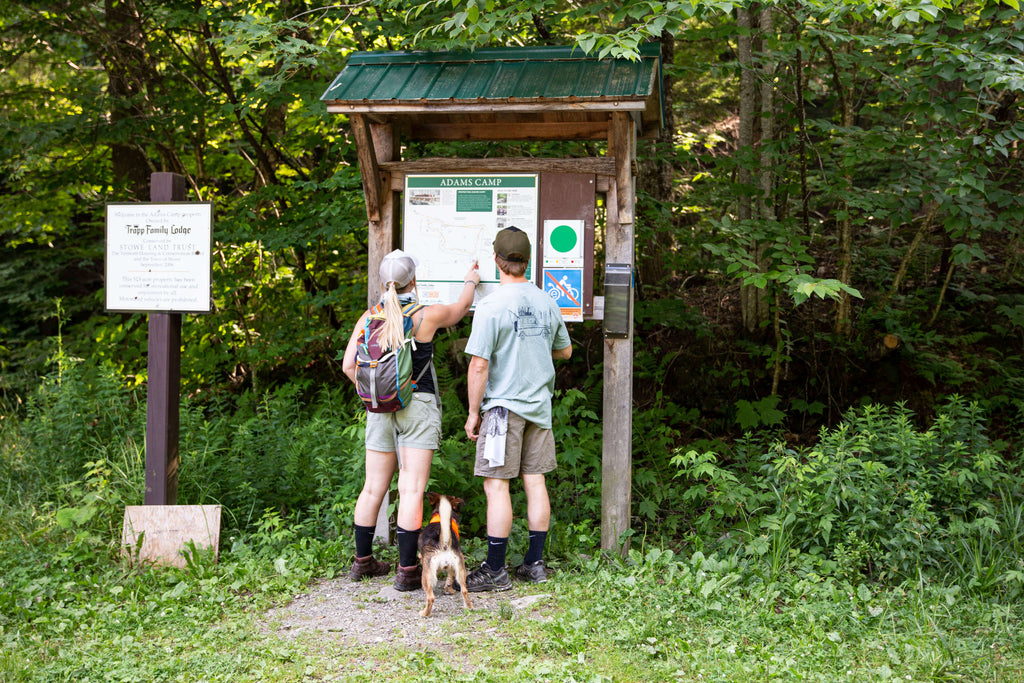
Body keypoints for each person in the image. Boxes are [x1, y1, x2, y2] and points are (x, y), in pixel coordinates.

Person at [343, 249, 480, 590]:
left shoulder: (368, 318)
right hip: (417, 406)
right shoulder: (425, 316)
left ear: (382, 281)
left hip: (378, 410)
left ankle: (363, 563)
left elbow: (349, 366)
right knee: (412, 489)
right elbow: (462, 309)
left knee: (373, 487)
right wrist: (471, 281)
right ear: (413, 281)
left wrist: (380, 394)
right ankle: (406, 572)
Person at [463, 227, 572, 591]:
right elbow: (565, 350)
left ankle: (495, 570)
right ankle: (534, 564)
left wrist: (473, 413)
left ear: (497, 260)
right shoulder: (546, 301)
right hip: (539, 406)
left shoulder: (491, 304)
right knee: (535, 482)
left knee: (497, 486)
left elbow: (478, 365)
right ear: (527, 260)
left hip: (502, 410)